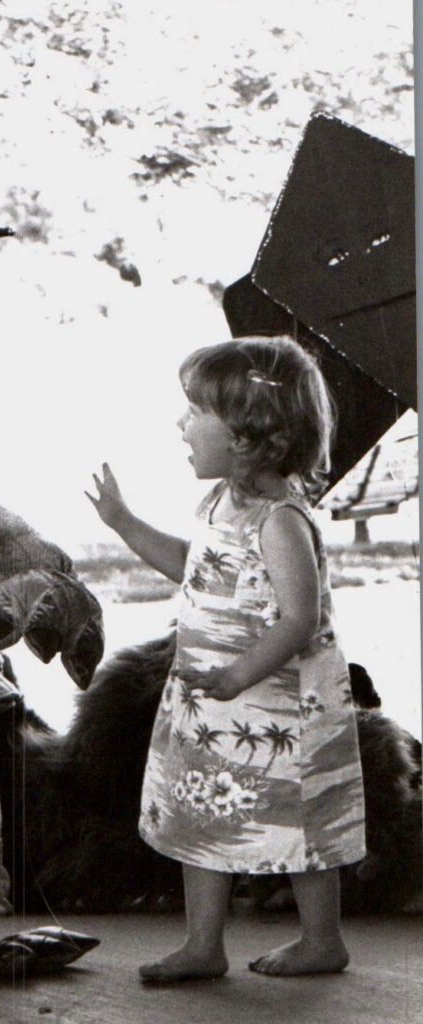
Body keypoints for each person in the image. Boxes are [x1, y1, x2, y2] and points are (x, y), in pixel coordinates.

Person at [87, 336, 365, 982]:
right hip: (214, 703)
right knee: (202, 811)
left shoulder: (280, 520)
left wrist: (239, 674)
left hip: (277, 708)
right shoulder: (220, 504)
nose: (181, 424)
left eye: (194, 412)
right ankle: (203, 944)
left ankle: (323, 940)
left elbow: (300, 617)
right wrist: (125, 523)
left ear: (246, 433)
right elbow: (195, 568)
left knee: (299, 815)